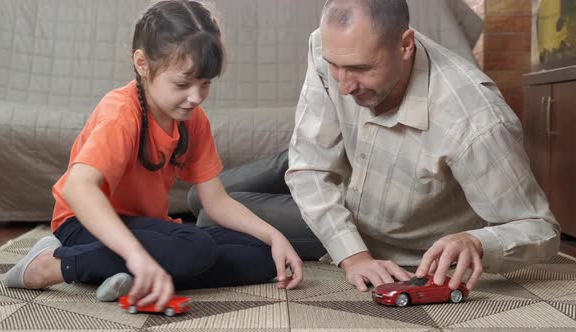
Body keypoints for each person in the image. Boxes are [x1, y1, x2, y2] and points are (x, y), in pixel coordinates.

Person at [190, 0, 560, 293]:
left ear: (405, 45)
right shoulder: (328, 46)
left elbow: (541, 229)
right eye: (335, 67)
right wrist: (353, 259)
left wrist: (477, 242)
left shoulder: (475, 122)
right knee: (197, 195)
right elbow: (311, 168)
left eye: (361, 68)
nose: (345, 86)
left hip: (374, 224)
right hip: (335, 161)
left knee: (209, 214)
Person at [4, 0, 302, 312]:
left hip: (146, 227)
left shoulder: (193, 120)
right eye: (183, 84)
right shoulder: (120, 113)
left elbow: (216, 201)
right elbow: (77, 189)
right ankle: (54, 264)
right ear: (143, 64)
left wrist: (274, 235)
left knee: (262, 254)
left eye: (205, 84)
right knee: (196, 250)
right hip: (84, 224)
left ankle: (127, 273)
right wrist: (136, 254)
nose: (195, 97)